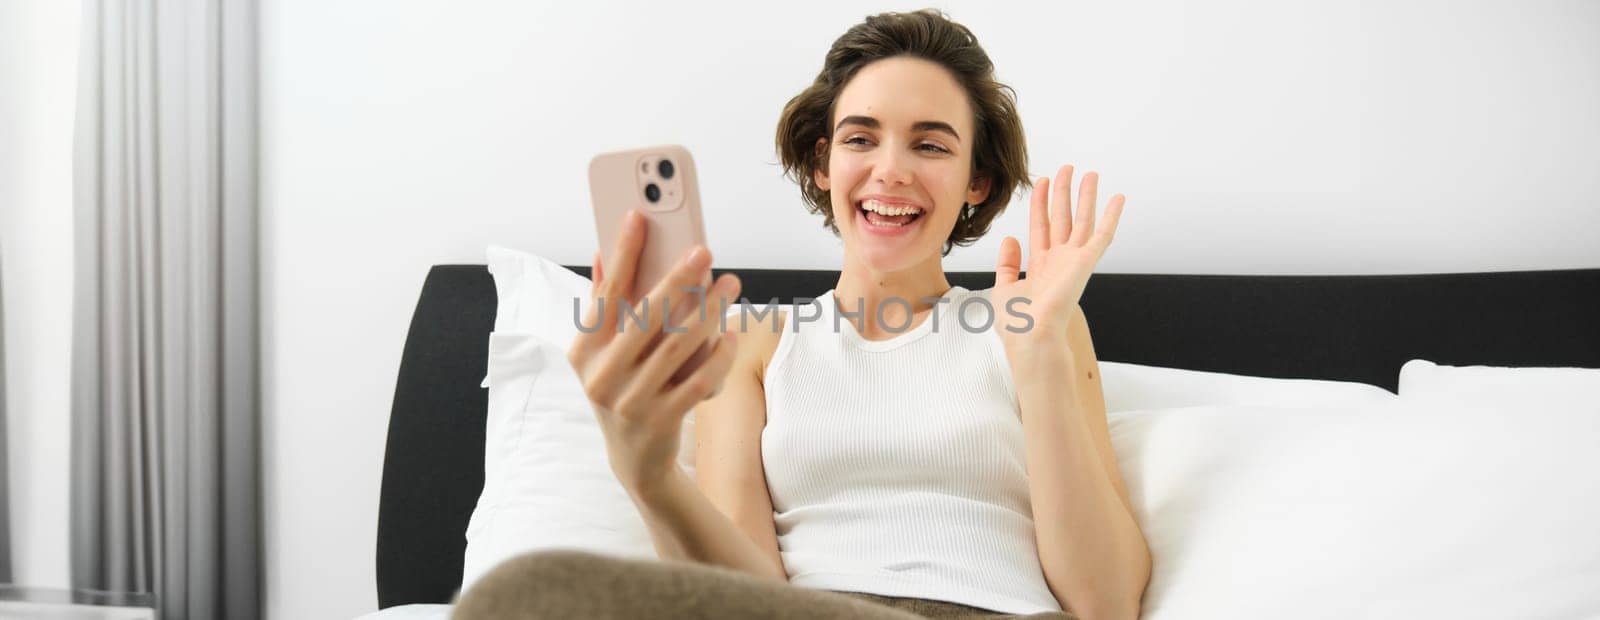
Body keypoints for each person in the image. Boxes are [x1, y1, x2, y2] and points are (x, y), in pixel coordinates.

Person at [455, 9, 1149, 620]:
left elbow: (1107, 603)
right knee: (523, 595)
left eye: (930, 144)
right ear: (822, 163)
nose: (891, 170)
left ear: (978, 181)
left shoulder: (1032, 322)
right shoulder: (756, 341)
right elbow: (737, 594)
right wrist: (649, 474)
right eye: (859, 139)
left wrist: (1038, 361)